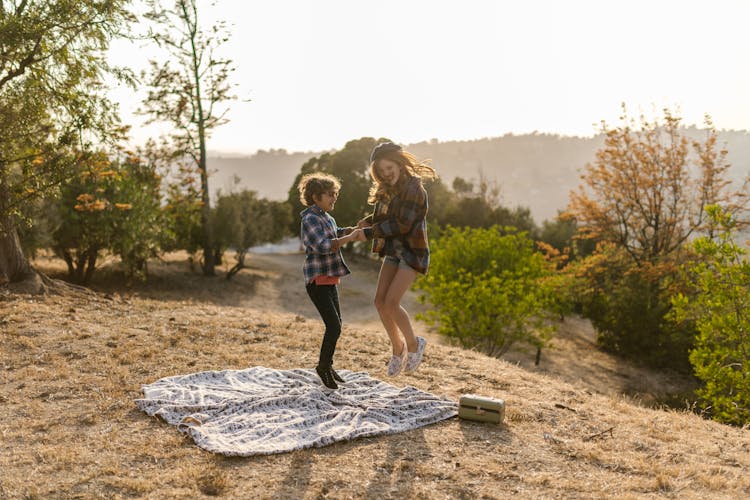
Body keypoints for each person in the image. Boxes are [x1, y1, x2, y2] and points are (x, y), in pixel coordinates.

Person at [358, 142, 437, 376]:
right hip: (394, 250)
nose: (386, 173)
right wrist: (367, 222)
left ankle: (414, 344)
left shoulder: (414, 190)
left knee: (391, 302)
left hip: (412, 252)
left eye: (389, 167)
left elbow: (402, 223)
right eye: (381, 171)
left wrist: (370, 232)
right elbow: (385, 216)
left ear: (400, 163)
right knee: (379, 302)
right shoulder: (388, 189)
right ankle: (397, 348)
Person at [298, 173, 365, 390]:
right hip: (317, 280)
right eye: (330, 194)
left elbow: (335, 233)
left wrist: (353, 231)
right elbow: (324, 245)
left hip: (330, 279)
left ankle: (328, 365)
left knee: (337, 325)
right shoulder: (310, 219)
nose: (334, 198)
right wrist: (349, 238)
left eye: (335, 194)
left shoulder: (327, 217)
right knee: (333, 326)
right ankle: (322, 367)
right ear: (316, 196)